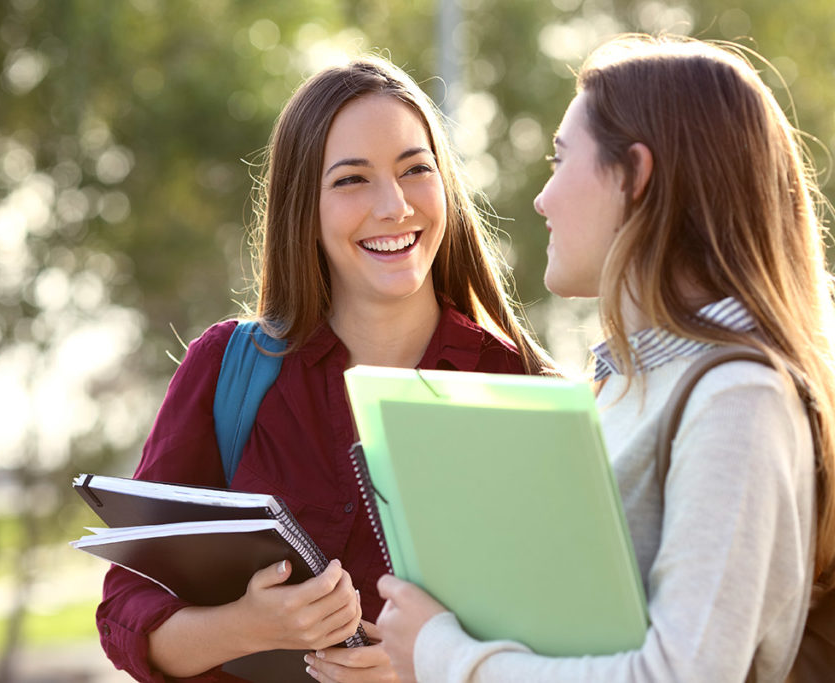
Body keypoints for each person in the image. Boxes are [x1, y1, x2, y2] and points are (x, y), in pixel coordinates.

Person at [372, 33, 835, 682]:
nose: (542, 198)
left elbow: (680, 675)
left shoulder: (738, 397)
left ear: (636, 175)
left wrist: (445, 655)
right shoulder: (625, 383)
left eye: (560, 159)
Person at [96, 55, 552, 683]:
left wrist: (429, 668)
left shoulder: (524, 389)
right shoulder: (227, 370)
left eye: (416, 169)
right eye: (351, 180)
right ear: (302, 208)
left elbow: (574, 642)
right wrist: (246, 627)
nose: (393, 206)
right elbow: (126, 609)